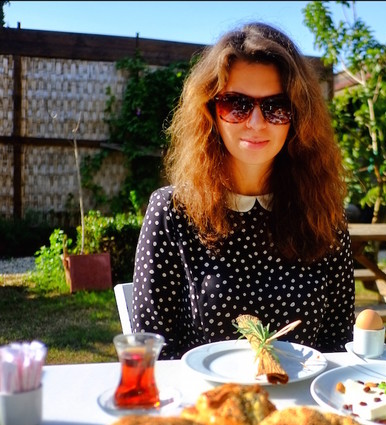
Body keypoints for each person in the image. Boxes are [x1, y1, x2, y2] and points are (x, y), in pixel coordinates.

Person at [131, 22, 355, 360]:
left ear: (298, 116)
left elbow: (340, 342)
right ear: (211, 112)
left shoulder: (323, 213)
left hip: (303, 405)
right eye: (236, 104)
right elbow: (152, 349)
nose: (255, 122)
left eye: (276, 106)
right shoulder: (172, 211)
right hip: (206, 405)